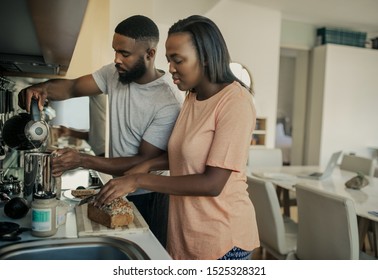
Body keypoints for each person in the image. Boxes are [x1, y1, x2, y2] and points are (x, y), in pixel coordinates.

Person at [95, 15, 260, 260]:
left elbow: (212, 183)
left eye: (178, 60)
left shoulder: (235, 103)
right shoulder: (193, 97)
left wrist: (140, 179)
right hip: (187, 233)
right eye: (169, 59)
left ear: (205, 58)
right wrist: (150, 163)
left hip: (223, 240)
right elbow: (186, 156)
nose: (170, 68)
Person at [18, 15, 184, 248]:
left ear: (150, 54)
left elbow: (142, 161)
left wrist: (82, 159)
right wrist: (41, 88)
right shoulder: (115, 73)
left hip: (149, 196)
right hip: (119, 186)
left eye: (124, 53)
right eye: (115, 51)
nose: (116, 59)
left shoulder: (167, 101)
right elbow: (73, 86)